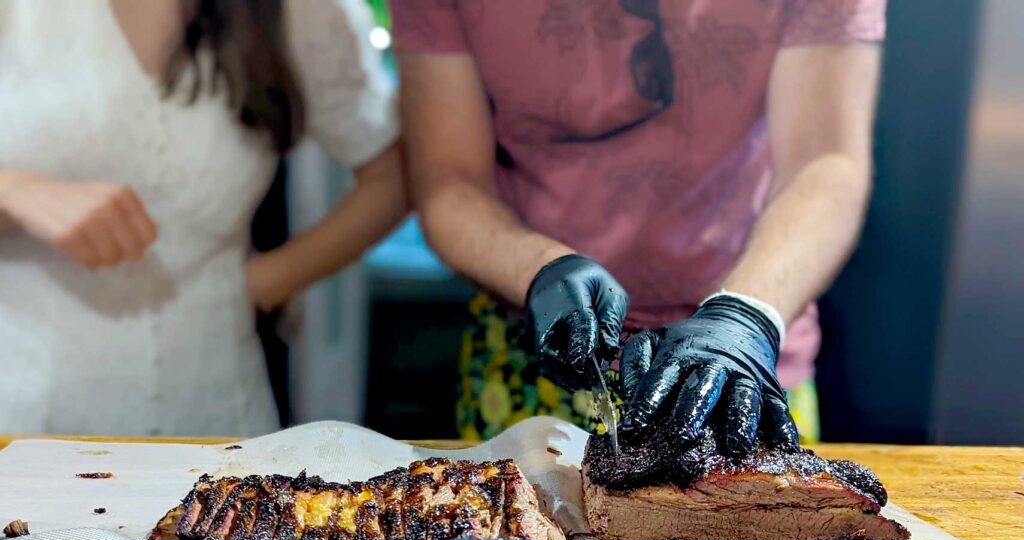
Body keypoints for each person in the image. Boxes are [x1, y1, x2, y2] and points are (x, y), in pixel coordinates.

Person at [392, 0, 885, 450]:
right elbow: (449, 182)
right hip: (532, 354)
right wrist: (539, 268)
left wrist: (746, 317)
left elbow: (825, 162)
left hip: (742, 362)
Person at [0, 0, 406, 436]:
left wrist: (266, 282)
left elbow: (395, 177)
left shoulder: (300, 13)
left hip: (220, 416)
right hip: (22, 420)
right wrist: (14, 189)